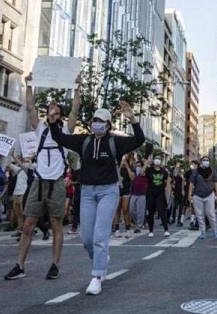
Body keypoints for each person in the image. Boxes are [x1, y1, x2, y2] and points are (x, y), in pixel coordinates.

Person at [47, 102, 144, 294]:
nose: (96, 124)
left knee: (100, 236)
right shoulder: (84, 141)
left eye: (101, 121)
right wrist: (52, 121)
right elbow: (60, 138)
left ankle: (97, 276)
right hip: (88, 192)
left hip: (109, 191)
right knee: (86, 238)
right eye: (94, 121)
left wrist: (132, 119)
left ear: (108, 125)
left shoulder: (116, 142)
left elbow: (139, 139)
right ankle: (101, 257)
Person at [4, 72, 80, 281]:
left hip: (56, 182)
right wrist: (29, 85)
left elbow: (75, 109)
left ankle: (55, 265)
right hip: (38, 181)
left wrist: (78, 88)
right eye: (50, 111)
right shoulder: (40, 129)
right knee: (28, 225)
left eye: (56, 112)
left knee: (56, 224)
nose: (52, 113)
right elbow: (29, 108)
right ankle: (20, 265)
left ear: (60, 116)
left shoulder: (66, 129)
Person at [188, 157, 217, 239]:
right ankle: (202, 231)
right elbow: (191, 183)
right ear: (201, 162)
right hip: (197, 196)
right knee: (199, 214)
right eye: (204, 160)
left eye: (207, 160)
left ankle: (215, 231)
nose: (206, 162)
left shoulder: (213, 171)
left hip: (210, 195)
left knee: (211, 214)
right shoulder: (196, 171)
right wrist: (189, 194)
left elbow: (216, 183)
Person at [145, 153, 170, 237]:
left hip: (160, 193)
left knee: (162, 211)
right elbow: (141, 174)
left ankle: (166, 230)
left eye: (159, 159)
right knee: (150, 212)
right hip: (150, 193)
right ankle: (151, 231)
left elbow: (166, 183)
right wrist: (146, 163)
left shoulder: (164, 171)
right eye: (156, 158)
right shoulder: (149, 170)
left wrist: (166, 194)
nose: (157, 160)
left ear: (161, 161)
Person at [113, 154, 135, 237]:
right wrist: (120, 165)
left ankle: (127, 228)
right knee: (117, 209)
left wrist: (126, 165)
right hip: (117, 190)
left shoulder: (130, 166)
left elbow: (132, 177)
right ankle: (117, 228)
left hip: (126, 190)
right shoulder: (117, 167)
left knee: (125, 209)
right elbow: (115, 176)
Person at [130, 155, 149, 233]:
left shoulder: (145, 173)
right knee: (131, 211)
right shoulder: (134, 173)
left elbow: (142, 172)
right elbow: (131, 177)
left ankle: (139, 226)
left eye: (139, 166)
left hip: (142, 194)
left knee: (140, 211)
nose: (138, 167)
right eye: (137, 166)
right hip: (134, 194)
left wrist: (145, 163)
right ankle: (138, 222)